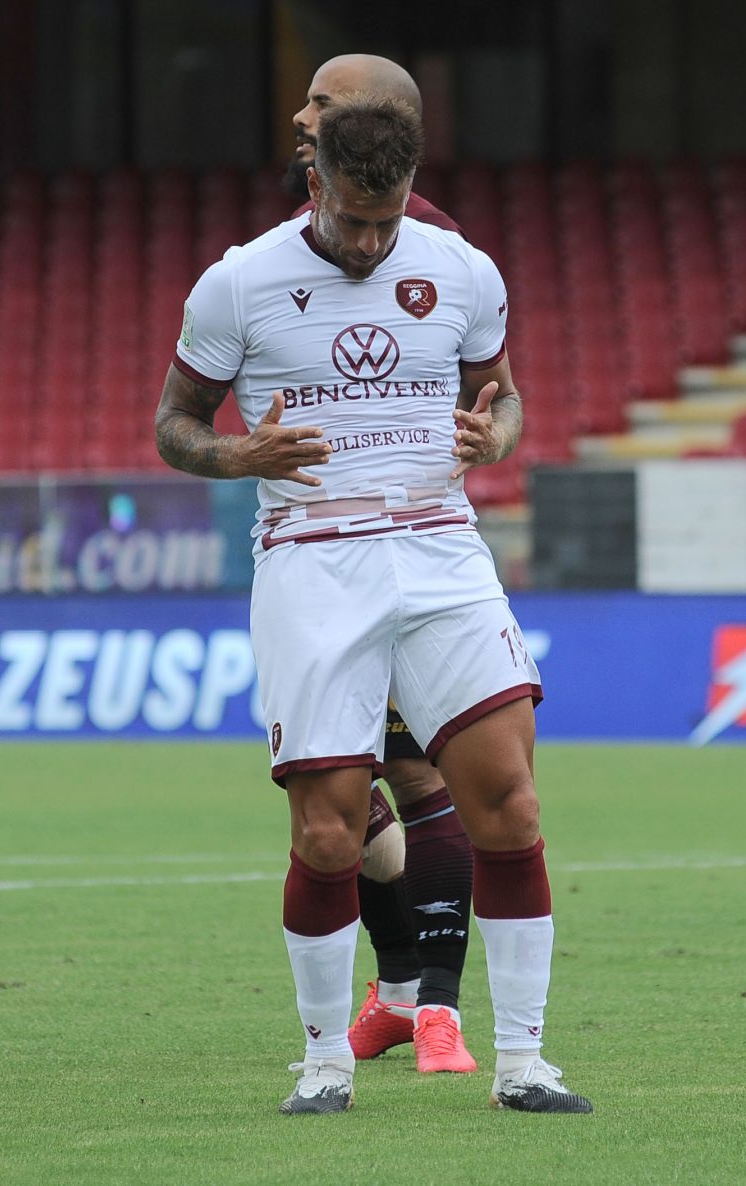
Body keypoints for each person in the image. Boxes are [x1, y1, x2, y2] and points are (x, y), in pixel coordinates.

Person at [156, 92, 589, 1116]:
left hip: (440, 550)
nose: (367, 242)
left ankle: (524, 1064)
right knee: (328, 833)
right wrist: (239, 454)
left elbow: (507, 397)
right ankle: (323, 1067)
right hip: (313, 559)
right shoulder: (239, 281)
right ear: (316, 181)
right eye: (352, 219)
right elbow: (174, 424)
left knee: (511, 806)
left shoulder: (462, 269)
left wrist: (497, 435)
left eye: (386, 221)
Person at [281, 53, 478, 1075]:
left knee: (414, 772)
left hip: (404, 559)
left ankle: (435, 1005)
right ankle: (398, 992)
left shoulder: (429, 245)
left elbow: (486, 390)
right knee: (341, 789)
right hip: (315, 563)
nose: (299, 115)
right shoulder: (297, 230)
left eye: (320, 103)